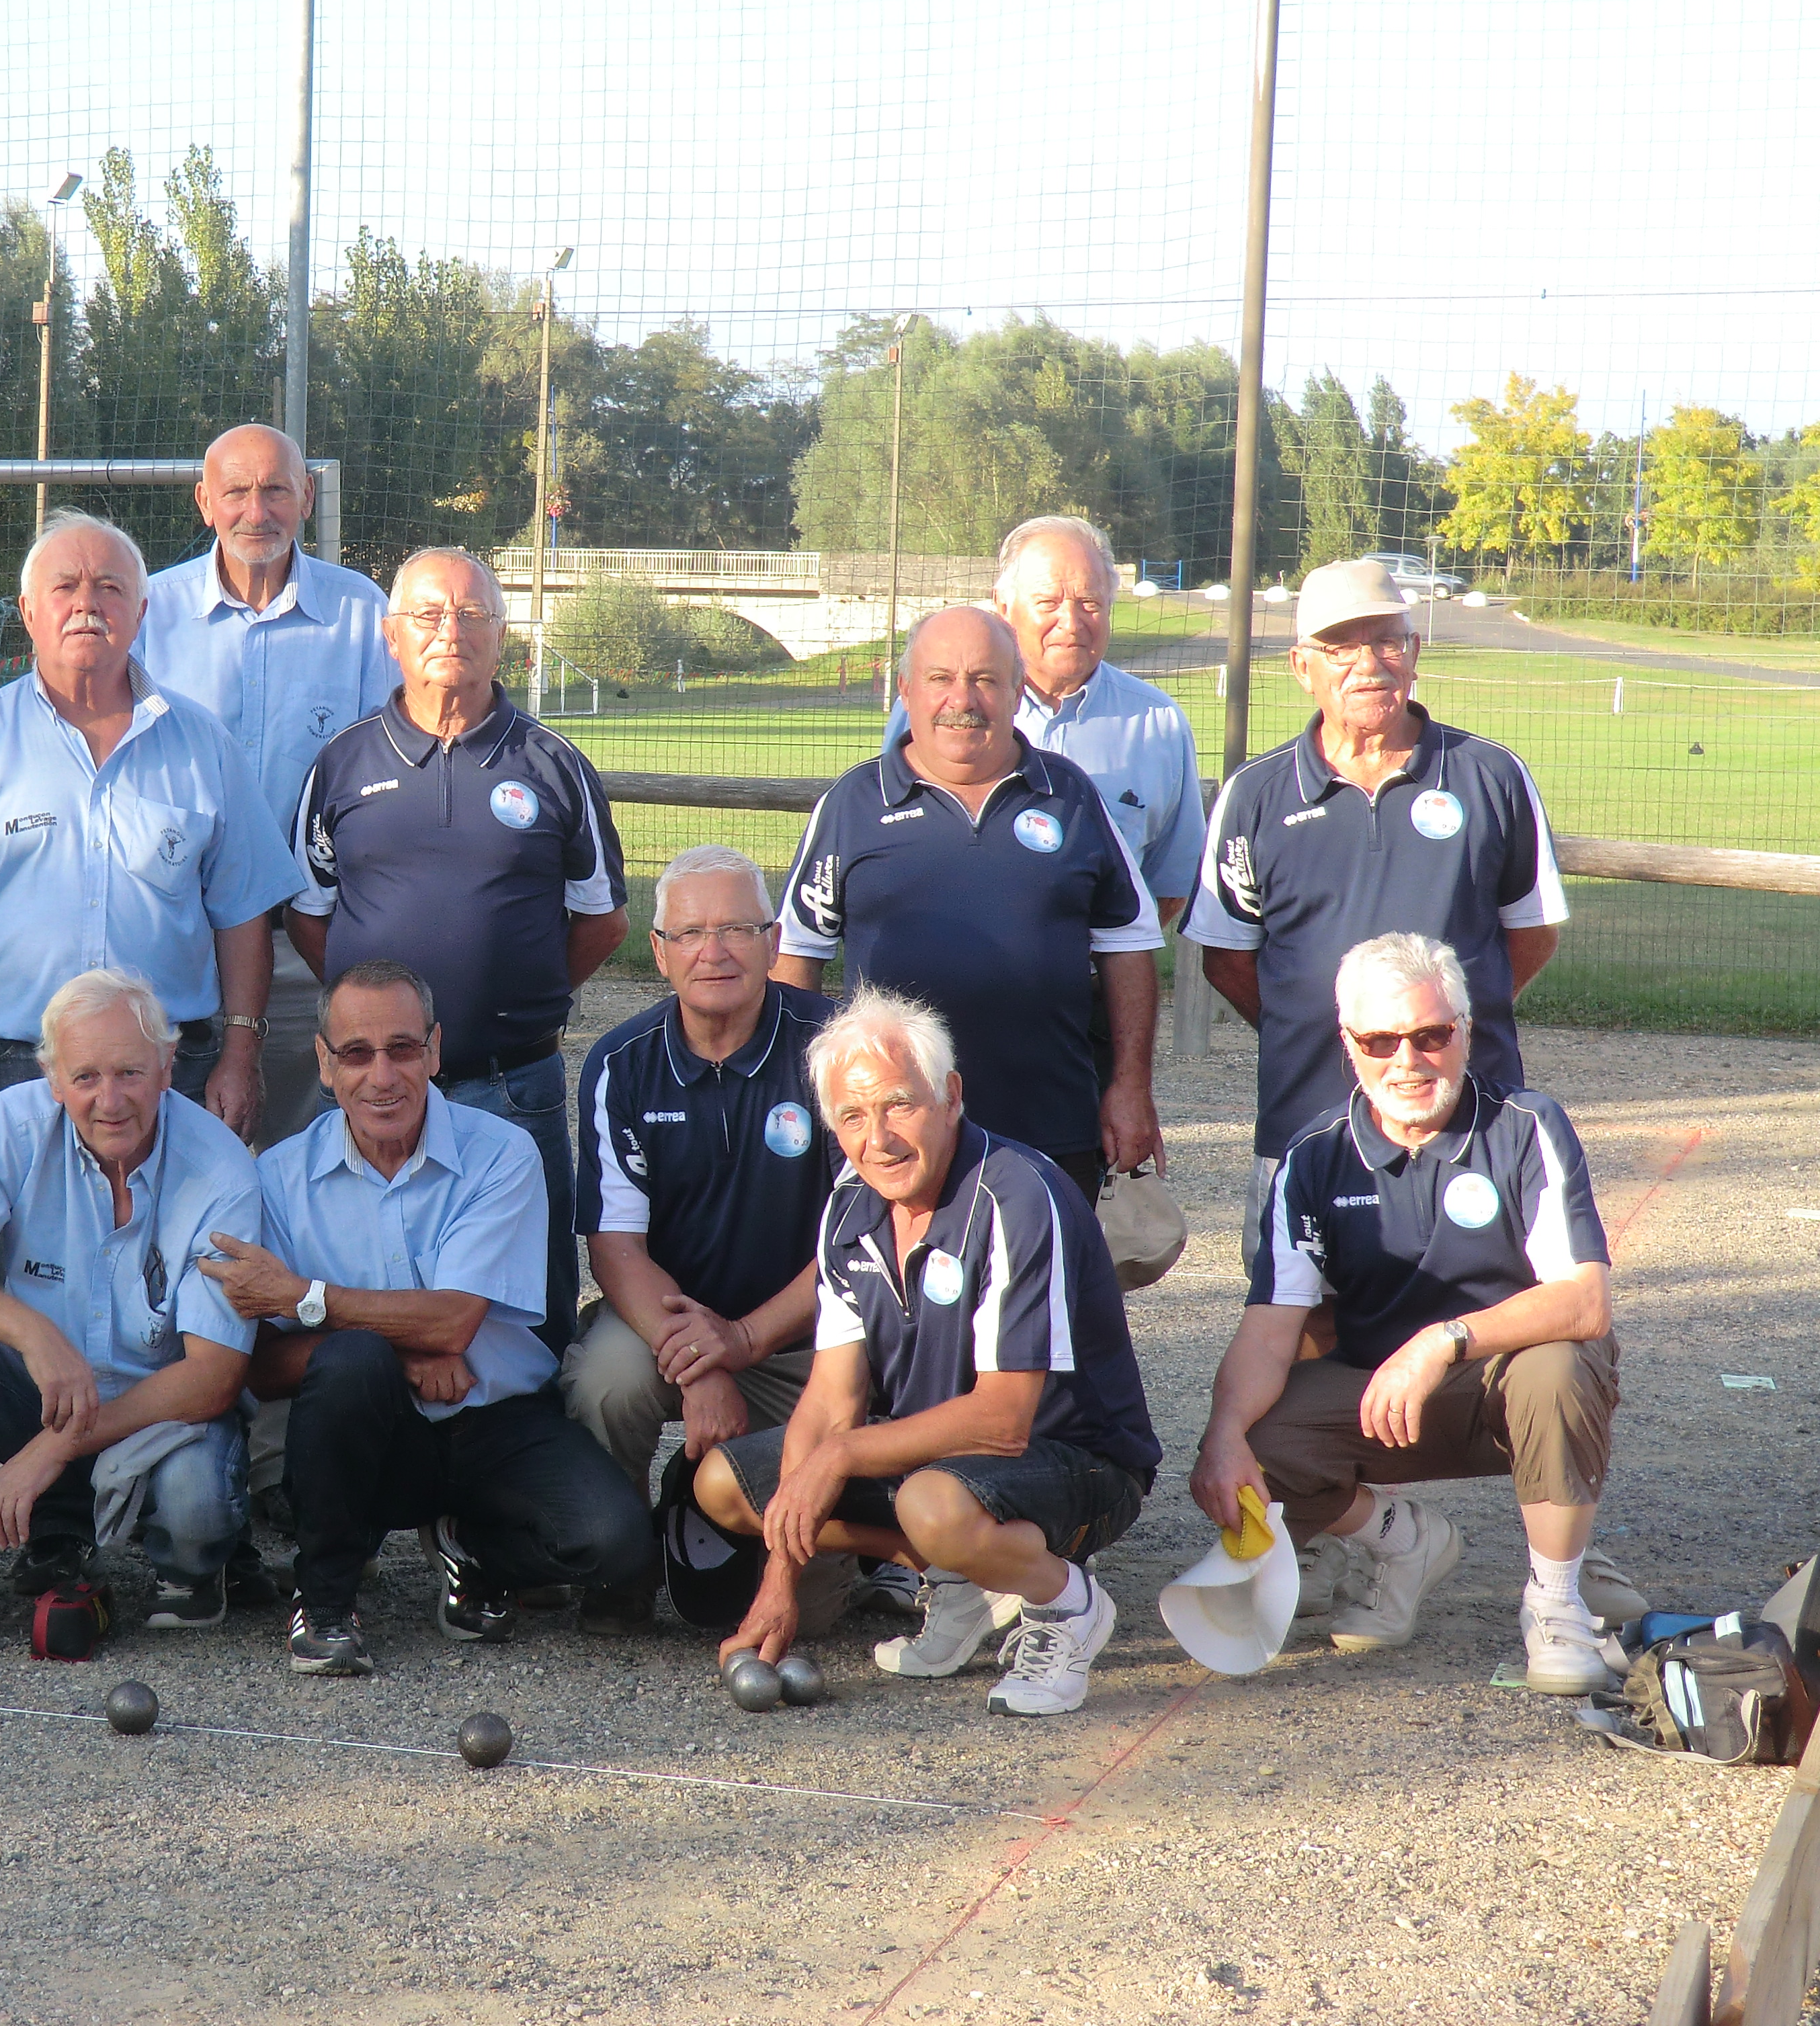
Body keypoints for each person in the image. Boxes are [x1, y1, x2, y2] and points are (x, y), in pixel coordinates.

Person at [696, 984, 1162, 1718]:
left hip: (1079, 1460)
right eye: (853, 1116)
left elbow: (1004, 1422)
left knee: (930, 1502)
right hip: (939, 1463)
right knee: (725, 1484)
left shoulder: (1016, 1195)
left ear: (950, 1097)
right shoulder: (850, 1205)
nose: (878, 1139)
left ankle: (1067, 1603)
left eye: (898, 1105)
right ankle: (960, 1576)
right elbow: (831, 1400)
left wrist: (841, 1457)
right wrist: (779, 1582)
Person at [1189, 933, 1630, 1695]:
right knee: (1256, 1440)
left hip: (1509, 1382)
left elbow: (1585, 1300)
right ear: (1348, 1044)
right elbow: (1268, 1330)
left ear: (1467, 1031)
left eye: (1431, 1035)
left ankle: (1555, 1601)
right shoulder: (1313, 1156)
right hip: (1383, 1394)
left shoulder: (1526, 1125)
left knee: (1559, 1365)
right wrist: (1222, 1437)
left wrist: (1440, 1342)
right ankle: (1401, 1542)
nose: (1408, 1061)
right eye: (1380, 1041)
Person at [197, 960, 655, 1677]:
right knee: (352, 1365)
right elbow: (257, 1368)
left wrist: (303, 1297)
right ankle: (325, 1603)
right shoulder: (279, 1179)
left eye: (403, 1049)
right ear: (325, 1063)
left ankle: (470, 1549)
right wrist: (399, 1354)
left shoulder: (502, 1153)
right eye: (357, 1053)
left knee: (617, 1545)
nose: (382, 1076)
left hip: (498, 1420)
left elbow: (452, 1324)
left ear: (435, 1050)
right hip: (374, 1431)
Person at [288, 549, 630, 1351]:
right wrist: (368, 1018)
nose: (452, 630)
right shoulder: (341, 764)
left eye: (474, 614)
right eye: (430, 614)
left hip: (514, 1087)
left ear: (501, 636)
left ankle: (534, 1425)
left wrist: (523, 995)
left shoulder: (553, 764)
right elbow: (309, 915)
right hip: (373, 1087)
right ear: (392, 636)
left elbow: (603, 921)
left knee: (532, 1309)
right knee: (371, 1293)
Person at [1184, 556, 1568, 1271]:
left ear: (1414, 653)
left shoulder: (1492, 777)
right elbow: (1227, 958)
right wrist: (1330, 1032)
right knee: (1301, 1319)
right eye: (1340, 647)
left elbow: (1533, 935)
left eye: (1387, 640)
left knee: (1485, 1314)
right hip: (1307, 1122)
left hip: (1470, 1128)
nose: (1368, 664)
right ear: (1302, 666)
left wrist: (1439, 1026)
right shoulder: (1254, 796)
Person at [0, 970, 261, 1654]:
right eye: (85, 1077)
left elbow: (214, 1378)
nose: (109, 1101)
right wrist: (33, 1334)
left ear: (168, 1067)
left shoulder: (222, 1170)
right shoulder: (14, 1123)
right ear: (53, 1078)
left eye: (130, 1073)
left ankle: (191, 1567)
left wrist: (54, 1448)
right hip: (45, 1394)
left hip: (158, 1419)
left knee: (198, 1503)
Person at [0, 509, 300, 1150]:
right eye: (65, 586)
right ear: (28, 612)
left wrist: (241, 1055)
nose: (87, 603)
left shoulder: (205, 747)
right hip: (16, 1069)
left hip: (171, 1068)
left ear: (141, 613)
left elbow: (244, 917)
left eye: (110, 587)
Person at [775, 603, 1163, 1207]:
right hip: (895, 1139)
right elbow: (796, 957)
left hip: (1050, 1126)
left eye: (984, 679)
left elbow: (1130, 945)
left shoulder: (1070, 795)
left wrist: (1131, 1087)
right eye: (941, 678)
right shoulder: (853, 804)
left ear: (1017, 691)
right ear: (906, 690)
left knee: (1047, 1269)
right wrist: (815, 1101)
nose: (962, 699)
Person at [562, 845, 839, 1627]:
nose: (712, 952)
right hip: (669, 1334)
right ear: (659, 952)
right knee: (604, 1380)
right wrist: (701, 1362)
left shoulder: (836, 1048)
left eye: (736, 930)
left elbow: (859, 1244)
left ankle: (723, 1502)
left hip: (808, 1341)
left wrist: (743, 1342)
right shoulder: (620, 1064)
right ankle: (619, 1565)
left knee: (818, 1617)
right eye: (689, 933)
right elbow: (615, 1248)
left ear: (774, 941)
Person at [137, 424, 400, 1148]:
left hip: (307, 948)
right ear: (205, 502)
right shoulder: (150, 613)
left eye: (277, 490)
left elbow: (396, 768)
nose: (257, 511)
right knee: (176, 1162)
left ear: (307, 496)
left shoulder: (362, 615)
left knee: (310, 1165)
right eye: (237, 491)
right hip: (176, 945)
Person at [884, 517, 1206, 926]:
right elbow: (885, 842)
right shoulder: (936, 712)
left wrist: (1102, 955)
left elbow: (1170, 883)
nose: (1071, 622)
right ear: (1004, 607)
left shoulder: (1157, 725)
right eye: (1049, 603)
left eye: (1089, 603)